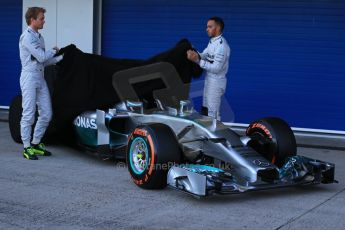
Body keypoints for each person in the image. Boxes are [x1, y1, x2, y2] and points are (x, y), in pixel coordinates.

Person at [19, 7, 63, 160]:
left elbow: (43, 62)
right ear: (33, 20)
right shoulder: (27, 37)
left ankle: (36, 143)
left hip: (40, 77)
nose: (44, 21)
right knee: (29, 114)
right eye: (41, 18)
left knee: (46, 114)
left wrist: (60, 58)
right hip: (29, 78)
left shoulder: (39, 37)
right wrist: (54, 51)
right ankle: (26, 147)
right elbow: (42, 56)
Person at [187, 16, 230, 120]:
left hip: (216, 82)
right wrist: (194, 51)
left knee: (213, 113)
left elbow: (216, 68)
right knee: (205, 109)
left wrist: (197, 60)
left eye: (210, 27)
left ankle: (216, 136)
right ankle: (207, 134)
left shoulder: (222, 46)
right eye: (207, 27)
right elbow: (204, 55)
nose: (207, 29)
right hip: (209, 80)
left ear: (218, 28)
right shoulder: (212, 42)